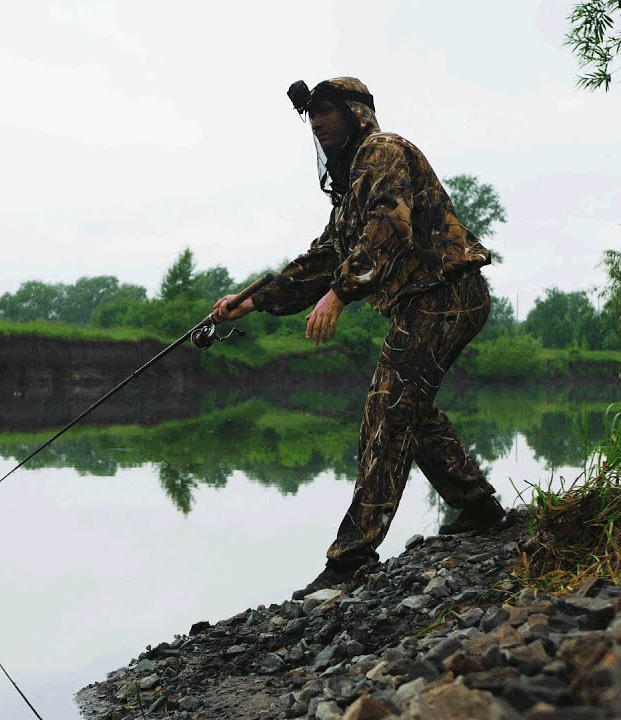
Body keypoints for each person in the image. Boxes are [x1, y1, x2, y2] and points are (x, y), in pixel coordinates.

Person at [212, 77, 507, 601]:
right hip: (427, 300)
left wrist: (340, 294)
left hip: (447, 293)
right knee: (411, 406)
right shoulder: (349, 190)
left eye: (326, 110)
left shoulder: (382, 151)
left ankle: (351, 557)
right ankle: (480, 508)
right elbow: (323, 259)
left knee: (388, 404)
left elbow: (389, 228)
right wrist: (252, 301)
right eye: (311, 115)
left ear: (355, 113)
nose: (317, 122)